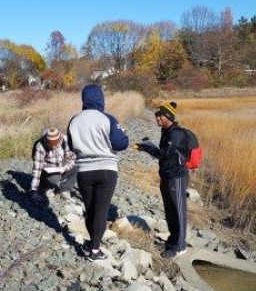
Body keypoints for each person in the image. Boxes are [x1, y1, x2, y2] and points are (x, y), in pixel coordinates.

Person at [67, 84, 129, 261]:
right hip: (106, 169)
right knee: (101, 210)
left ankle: (91, 242)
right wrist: (123, 134)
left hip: (84, 171)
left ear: (84, 99)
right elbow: (120, 144)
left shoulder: (74, 120)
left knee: (90, 209)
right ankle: (95, 250)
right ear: (101, 99)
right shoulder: (107, 118)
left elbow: (71, 146)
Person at [135, 101, 189, 258]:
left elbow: (165, 154)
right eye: (156, 115)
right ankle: (173, 241)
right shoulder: (166, 131)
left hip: (176, 177)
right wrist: (146, 146)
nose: (157, 118)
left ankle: (180, 246)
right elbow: (164, 153)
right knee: (170, 210)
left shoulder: (176, 133)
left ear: (168, 117)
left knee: (178, 211)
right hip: (166, 175)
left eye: (160, 115)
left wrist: (146, 147)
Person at [30, 128, 77, 203]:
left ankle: (65, 189)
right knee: (55, 179)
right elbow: (37, 170)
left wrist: (65, 168)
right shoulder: (40, 146)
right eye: (51, 146)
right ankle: (45, 186)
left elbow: (72, 158)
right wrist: (34, 191)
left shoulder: (65, 141)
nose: (54, 147)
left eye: (56, 145)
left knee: (78, 165)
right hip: (47, 167)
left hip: (61, 164)